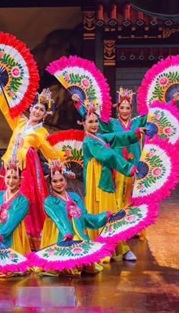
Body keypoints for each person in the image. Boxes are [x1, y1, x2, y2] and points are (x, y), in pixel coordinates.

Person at [73, 87, 146, 258]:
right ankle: (109, 249)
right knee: (106, 213)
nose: (94, 125)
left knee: (110, 212)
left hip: (104, 180)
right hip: (97, 183)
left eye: (95, 122)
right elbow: (110, 155)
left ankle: (118, 248)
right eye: (90, 122)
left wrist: (135, 133)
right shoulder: (89, 142)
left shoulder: (99, 137)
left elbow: (116, 137)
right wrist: (129, 168)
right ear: (83, 124)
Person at [0, 84, 65, 250]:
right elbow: (7, 110)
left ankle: (26, 235)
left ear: (44, 115)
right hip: (10, 167)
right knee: (6, 197)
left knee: (25, 199)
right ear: (31, 108)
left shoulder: (42, 133)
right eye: (36, 108)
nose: (37, 111)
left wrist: (60, 162)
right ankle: (4, 231)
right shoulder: (20, 122)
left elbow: (49, 151)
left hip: (28, 170)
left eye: (41, 110)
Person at [40, 159, 111, 276]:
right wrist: (68, 233)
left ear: (66, 181)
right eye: (54, 181)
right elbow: (60, 219)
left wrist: (103, 217)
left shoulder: (75, 197)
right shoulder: (50, 201)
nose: (58, 184)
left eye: (61, 180)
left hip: (79, 235)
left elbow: (85, 218)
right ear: (50, 184)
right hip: (62, 237)